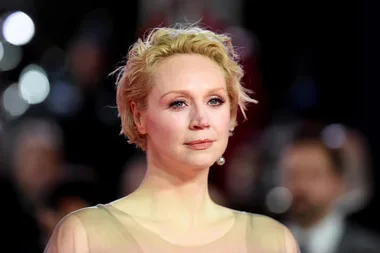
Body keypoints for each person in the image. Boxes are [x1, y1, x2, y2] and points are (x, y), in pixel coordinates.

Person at [44, 24, 299, 253]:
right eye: (178, 103)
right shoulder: (85, 236)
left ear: (231, 115)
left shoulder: (271, 241)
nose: (201, 119)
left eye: (215, 101)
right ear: (139, 116)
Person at [280, 122, 380, 253]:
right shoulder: (262, 246)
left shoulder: (369, 249)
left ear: (338, 183)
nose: (301, 185)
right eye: (293, 175)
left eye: (313, 175)